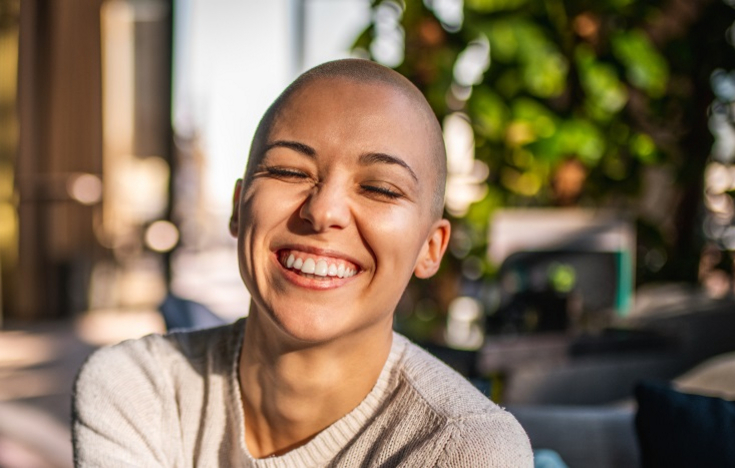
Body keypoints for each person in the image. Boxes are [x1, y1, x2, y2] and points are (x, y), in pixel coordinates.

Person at [72, 59, 533, 467]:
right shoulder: (138, 389)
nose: (323, 211)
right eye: (289, 172)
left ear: (430, 248)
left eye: (380, 189)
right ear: (238, 208)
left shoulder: (464, 448)